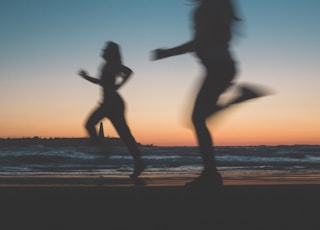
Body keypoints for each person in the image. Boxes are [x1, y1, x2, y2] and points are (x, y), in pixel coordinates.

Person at [152, 0, 264, 190]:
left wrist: (167, 53)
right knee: (198, 119)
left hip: (218, 69)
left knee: (197, 119)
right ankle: (210, 173)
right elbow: (218, 38)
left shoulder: (206, 9)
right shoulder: (218, 7)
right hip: (221, 68)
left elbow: (200, 42)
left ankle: (211, 174)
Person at [78, 41, 145, 180]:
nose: (102, 50)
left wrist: (117, 86)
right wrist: (86, 77)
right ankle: (107, 151)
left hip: (113, 103)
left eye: (105, 49)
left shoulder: (113, 64)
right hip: (107, 103)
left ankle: (133, 160)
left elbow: (129, 72)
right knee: (94, 126)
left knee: (122, 134)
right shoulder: (107, 65)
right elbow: (100, 82)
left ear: (110, 52)